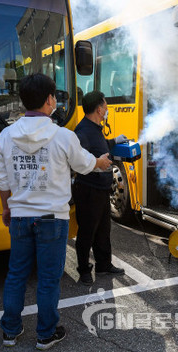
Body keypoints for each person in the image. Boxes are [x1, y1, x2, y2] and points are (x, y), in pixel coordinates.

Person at [0, 74, 112, 350]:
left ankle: (9, 332)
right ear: (49, 100)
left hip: (21, 216)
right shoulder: (62, 136)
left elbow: (1, 180)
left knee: (16, 276)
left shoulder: (6, 136)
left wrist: (6, 208)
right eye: (54, 97)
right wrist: (102, 162)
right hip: (52, 220)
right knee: (48, 280)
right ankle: (45, 334)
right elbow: (85, 164)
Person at [73, 90, 128, 286]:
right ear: (98, 109)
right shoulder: (82, 133)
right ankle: (84, 270)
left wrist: (115, 142)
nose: (107, 109)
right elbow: (78, 161)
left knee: (103, 230)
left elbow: (102, 147)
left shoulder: (95, 128)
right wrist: (97, 165)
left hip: (102, 189)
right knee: (87, 231)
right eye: (105, 106)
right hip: (88, 190)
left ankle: (104, 265)